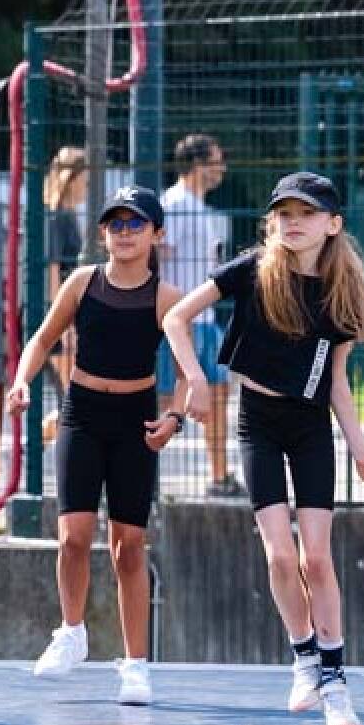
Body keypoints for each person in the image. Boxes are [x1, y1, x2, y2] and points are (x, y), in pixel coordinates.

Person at [163, 171, 364, 725]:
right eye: (285, 213)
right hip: (257, 423)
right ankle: (304, 656)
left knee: (317, 559)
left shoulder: (341, 291)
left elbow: (337, 381)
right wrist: (195, 379)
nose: (293, 222)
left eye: (307, 213)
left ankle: (335, 681)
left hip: (309, 427)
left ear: (333, 224)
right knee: (281, 557)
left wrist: (361, 450)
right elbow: (175, 317)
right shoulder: (252, 269)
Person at [7, 185, 188, 707]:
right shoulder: (82, 282)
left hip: (135, 421)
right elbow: (42, 338)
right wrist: (22, 381)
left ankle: (136, 665)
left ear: (156, 233)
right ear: (103, 232)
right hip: (82, 413)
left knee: (128, 545)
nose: (125, 233)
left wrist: (174, 417)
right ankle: (71, 633)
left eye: (136, 224)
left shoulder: (167, 298)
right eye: (116, 224)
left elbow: (187, 373)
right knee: (73, 537)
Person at [156, 133, 237, 496]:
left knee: (219, 393)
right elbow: (158, 255)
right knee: (163, 400)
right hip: (178, 322)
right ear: (197, 164)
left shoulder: (200, 206)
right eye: (216, 160)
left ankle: (219, 478)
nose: (222, 168)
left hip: (205, 321)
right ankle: (143, 476)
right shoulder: (174, 204)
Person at [41, 147, 87, 440]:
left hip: (69, 314)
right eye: (86, 179)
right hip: (58, 316)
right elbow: (52, 272)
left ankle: (34, 441)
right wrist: (66, 323)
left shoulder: (69, 215)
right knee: (75, 397)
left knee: (72, 399)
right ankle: (32, 443)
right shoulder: (56, 217)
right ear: (73, 178)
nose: (88, 186)